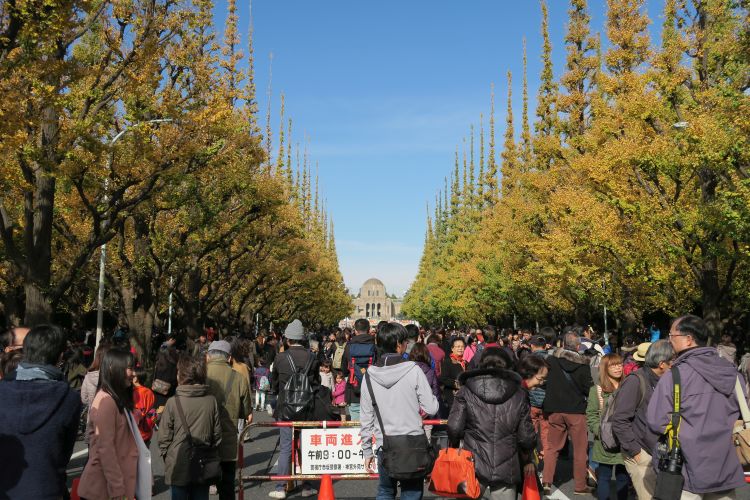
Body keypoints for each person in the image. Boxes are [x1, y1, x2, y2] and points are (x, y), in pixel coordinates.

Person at [648, 315, 745, 499]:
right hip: (726, 465)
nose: (669, 340)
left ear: (688, 339)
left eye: (672, 335)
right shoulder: (733, 373)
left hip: (687, 468)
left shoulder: (674, 376)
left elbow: (656, 422)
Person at [0, 324, 81, 499]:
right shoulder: (69, 398)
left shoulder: (3, 391)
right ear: (60, 356)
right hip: (47, 488)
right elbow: (64, 454)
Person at [359, 322, 439, 500]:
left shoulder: (369, 376)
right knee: (411, 492)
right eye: (405, 341)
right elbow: (431, 407)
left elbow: (366, 418)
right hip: (413, 443)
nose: (406, 345)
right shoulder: (414, 370)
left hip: (384, 444)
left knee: (385, 491)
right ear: (398, 344)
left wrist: (367, 451)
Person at [448, 347, 536, 500]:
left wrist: (455, 445)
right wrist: (528, 457)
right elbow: (526, 437)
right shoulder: (519, 394)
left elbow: (454, 427)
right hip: (507, 462)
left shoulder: (466, 391)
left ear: (481, 364)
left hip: (473, 461)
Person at [611, 339, 673, 500]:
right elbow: (619, 419)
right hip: (641, 452)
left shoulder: (664, 380)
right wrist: (635, 451)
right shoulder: (636, 380)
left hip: (658, 451)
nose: (675, 364)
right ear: (662, 364)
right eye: (673, 361)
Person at [159, 354, 222, 500]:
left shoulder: (173, 402)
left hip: (177, 463)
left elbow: (163, 438)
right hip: (203, 463)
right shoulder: (211, 401)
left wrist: (169, 456)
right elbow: (217, 435)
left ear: (182, 375)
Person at [79, 348, 139, 500]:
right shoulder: (106, 401)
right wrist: (117, 488)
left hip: (109, 487)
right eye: (130, 368)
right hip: (102, 489)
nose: (134, 373)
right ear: (112, 368)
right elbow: (106, 450)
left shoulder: (114, 398)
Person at [269, 320, 319, 499]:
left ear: (287, 339)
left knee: (285, 447)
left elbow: (274, 384)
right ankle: (307, 486)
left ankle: (280, 487)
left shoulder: (280, 358)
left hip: (285, 409)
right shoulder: (312, 357)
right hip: (307, 408)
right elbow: (316, 383)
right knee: (304, 446)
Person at [542, 331, 594, 495]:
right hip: (576, 410)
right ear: (578, 347)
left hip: (554, 408)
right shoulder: (583, 365)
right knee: (580, 449)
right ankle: (580, 485)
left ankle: (547, 481)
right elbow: (589, 389)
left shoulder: (551, 361)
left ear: (563, 344)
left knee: (552, 447)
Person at [206, 340, 253, 500]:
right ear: (229, 358)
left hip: (203, 439)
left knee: (199, 488)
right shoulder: (238, 378)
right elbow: (246, 411)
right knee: (227, 487)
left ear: (208, 357)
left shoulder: (199, 374)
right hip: (227, 438)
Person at [585, 353, 628, 500]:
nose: (618, 368)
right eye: (613, 365)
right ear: (605, 368)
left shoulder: (628, 386)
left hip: (624, 439)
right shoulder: (597, 390)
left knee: (623, 477)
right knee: (604, 476)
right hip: (605, 442)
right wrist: (600, 431)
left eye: (619, 364)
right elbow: (591, 415)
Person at [343, 318, 376, 422]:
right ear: (369, 330)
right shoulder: (375, 347)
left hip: (354, 388)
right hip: (372, 389)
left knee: (355, 422)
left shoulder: (349, 346)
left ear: (355, 331)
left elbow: (344, 368)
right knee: (371, 421)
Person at [518, 351, 550, 459]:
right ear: (529, 374)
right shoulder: (518, 394)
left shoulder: (521, 391)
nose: (541, 383)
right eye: (540, 379)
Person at [439, 337, 467, 418]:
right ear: (452, 348)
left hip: (464, 397)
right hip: (452, 397)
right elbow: (443, 378)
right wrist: (457, 384)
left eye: (462, 346)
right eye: (458, 346)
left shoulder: (465, 363)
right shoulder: (447, 362)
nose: (460, 348)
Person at [133, 367, 157, 446]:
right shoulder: (149, 392)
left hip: (137, 434)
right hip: (147, 431)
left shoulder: (135, 393)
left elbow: (136, 415)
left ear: (136, 378)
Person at [153, 344, 179, 409]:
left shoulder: (157, 364)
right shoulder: (173, 365)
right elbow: (174, 380)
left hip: (156, 394)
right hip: (168, 395)